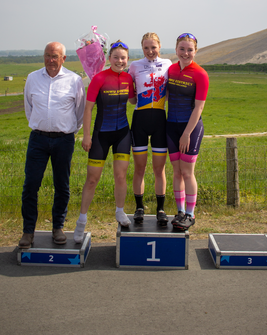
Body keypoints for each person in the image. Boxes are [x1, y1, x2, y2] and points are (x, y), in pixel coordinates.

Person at [19, 42, 86, 249]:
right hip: (38, 139)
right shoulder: (32, 78)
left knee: (62, 186)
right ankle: (28, 231)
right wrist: (42, 126)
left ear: (63, 58)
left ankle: (58, 227)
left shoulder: (74, 80)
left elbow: (80, 112)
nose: (50, 60)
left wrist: (67, 131)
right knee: (31, 185)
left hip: (64, 140)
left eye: (55, 56)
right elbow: (29, 108)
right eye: (47, 56)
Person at [73, 41, 136, 243]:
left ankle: (120, 211)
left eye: (123, 58)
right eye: (116, 57)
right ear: (109, 59)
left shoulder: (128, 79)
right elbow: (88, 108)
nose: (119, 61)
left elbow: (133, 100)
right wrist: (87, 135)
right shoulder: (99, 78)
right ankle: (81, 221)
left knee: (121, 176)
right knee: (92, 179)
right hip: (101, 134)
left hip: (122, 133)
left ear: (127, 60)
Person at [128, 32, 172, 225]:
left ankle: (161, 209)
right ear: (142, 48)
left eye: (153, 47)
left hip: (160, 121)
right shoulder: (135, 66)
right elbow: (130, 96)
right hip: (140, 120)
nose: (150, 51)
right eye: (146, 48)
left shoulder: (169, 64)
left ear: (159, 47)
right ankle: (139, 208)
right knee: (139, 167)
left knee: (159, 169)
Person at [166, 33, 209, 230]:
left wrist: (186, 134)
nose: (185, 53)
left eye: (190, 50)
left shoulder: (200, 74)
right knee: (176, 172)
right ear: (176, 50)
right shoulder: (171, 70)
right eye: (182, 49)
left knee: (187, 172)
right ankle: (180, 211)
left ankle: (191, 214)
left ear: (195, 51)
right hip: (171, 126)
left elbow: (199, 108)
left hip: (189, 128)